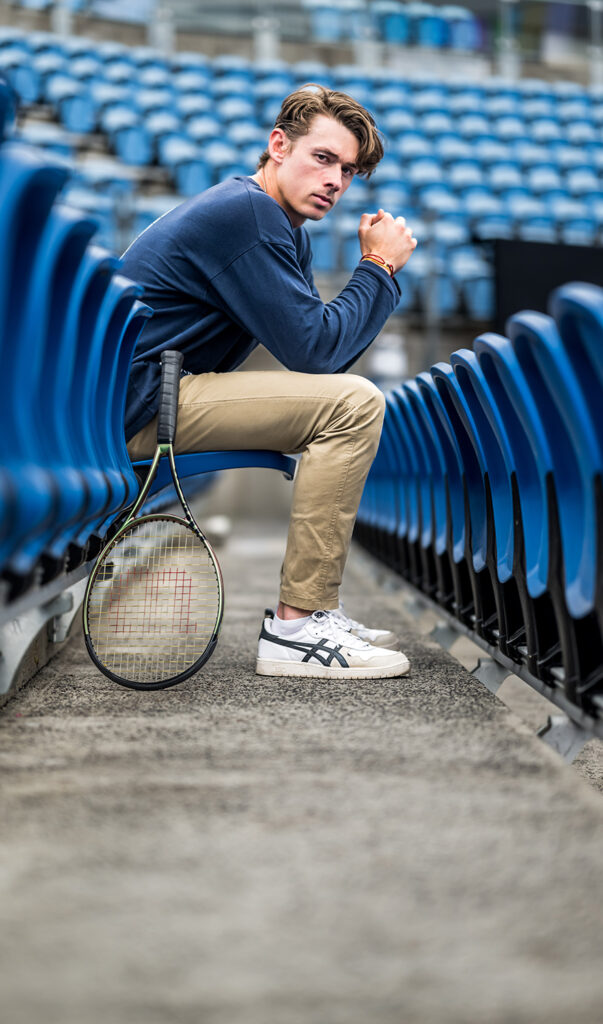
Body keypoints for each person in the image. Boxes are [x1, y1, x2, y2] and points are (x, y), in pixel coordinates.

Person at [121, 83, 417, 680]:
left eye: (349, 171)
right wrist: (379, 268)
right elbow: (318, 353)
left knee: (350, 401)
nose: (336, 181)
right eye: (323, 158)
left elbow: (321, 345)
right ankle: (297, 626)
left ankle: (313, 612)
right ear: (278, 145)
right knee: (355, 406)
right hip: (144, 405)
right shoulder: (249, 215)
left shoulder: (277, 223)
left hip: (155, 396)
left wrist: (373, 278)